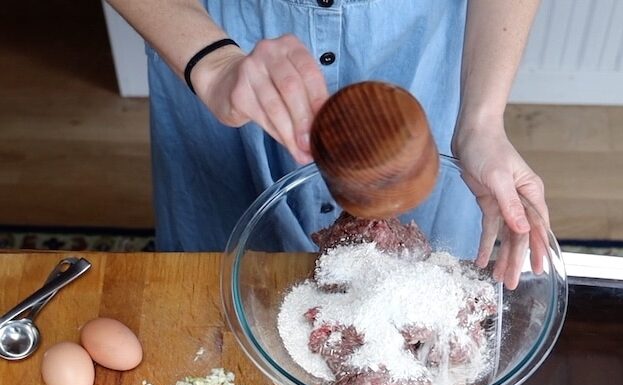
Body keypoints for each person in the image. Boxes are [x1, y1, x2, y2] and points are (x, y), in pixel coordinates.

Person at [106, 0, 550, 290]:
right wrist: (213, 62)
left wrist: (481, 121)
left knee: (427, 287)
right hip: (218, 35)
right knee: (209, 293)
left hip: (416, 40)